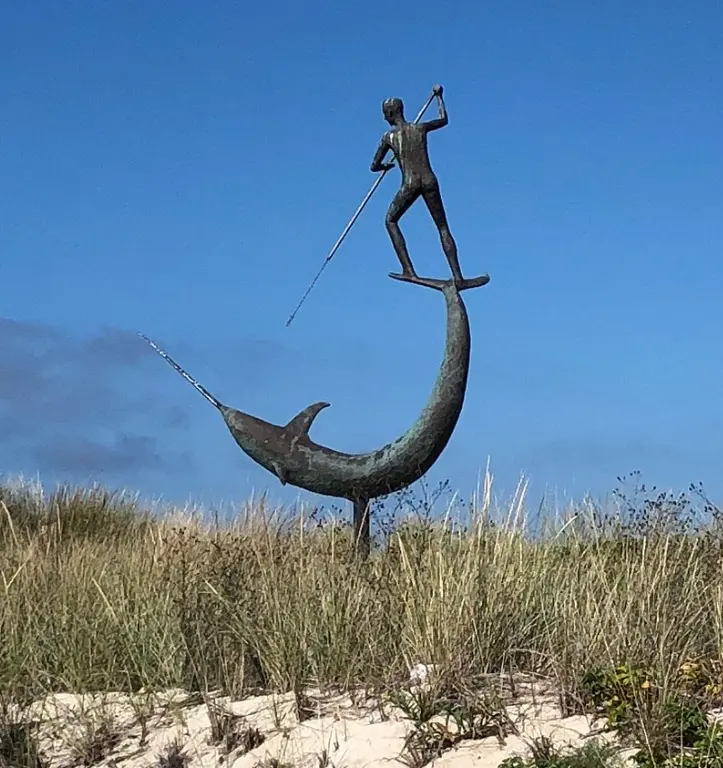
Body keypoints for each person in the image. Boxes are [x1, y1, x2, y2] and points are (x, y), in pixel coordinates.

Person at [370, 85, 464, 284]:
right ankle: (458, 276)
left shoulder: (389, 137)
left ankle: (409, 270)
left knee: (390, 220)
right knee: (442, 227)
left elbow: (373, 166)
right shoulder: (419, 128)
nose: (384, 118)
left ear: (390, 113)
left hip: (410, 183)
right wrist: (440, 98)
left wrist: (385, 166)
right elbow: (443, 120)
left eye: (384, 114)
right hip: (430, 180)